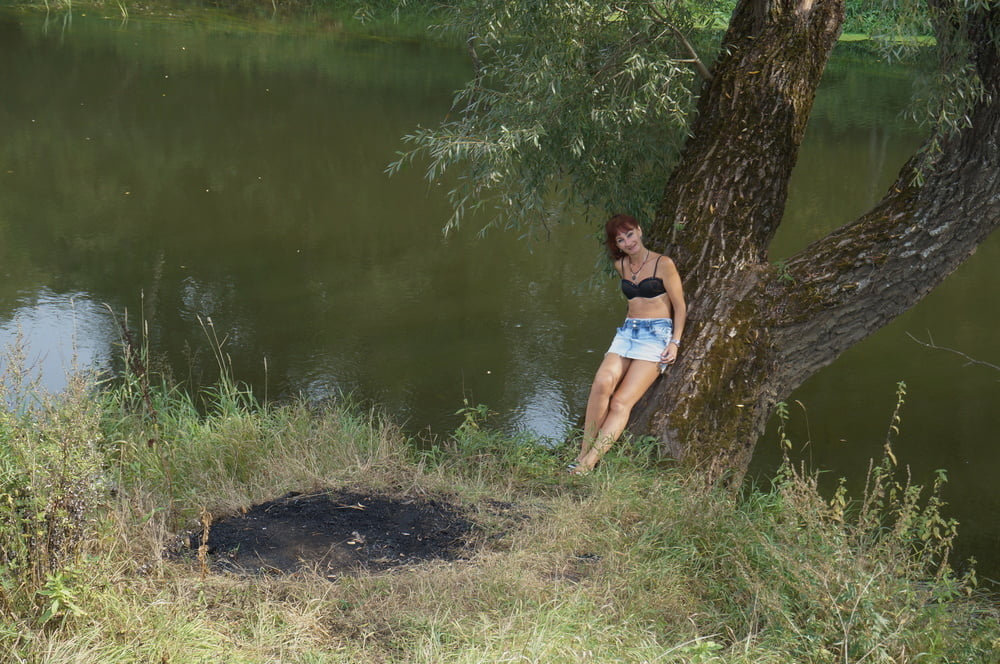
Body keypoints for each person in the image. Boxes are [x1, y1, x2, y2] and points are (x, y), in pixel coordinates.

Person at [569, 214, 687, 474]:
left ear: (639, 231)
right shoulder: (620, 266)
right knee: (601, 383)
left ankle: (587, 466)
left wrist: (675, 342)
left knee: (621, 403)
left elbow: (679, 307)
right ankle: (581, 453)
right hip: (627, 333)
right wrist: (625, 331)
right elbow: (632, 303)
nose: (627, 241)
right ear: (617, 245)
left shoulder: (663, 264)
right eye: (620, 240)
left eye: (630, 234)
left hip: (656, 336)